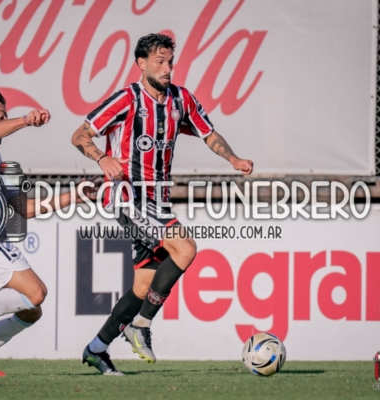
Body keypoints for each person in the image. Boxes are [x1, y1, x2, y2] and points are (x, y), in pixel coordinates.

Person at [71, 34, 254, 375]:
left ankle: (96, 348)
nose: (167, 68)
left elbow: (209, 133)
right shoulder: (126, 99)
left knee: (144, 286)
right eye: (160, 62)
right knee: (185, 248)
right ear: (141, 64)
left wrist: (232, 158)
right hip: (127, 198)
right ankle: (140, 325)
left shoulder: (181, 99)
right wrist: (102, 158)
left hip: (159, 202)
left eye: (170, 62)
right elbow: (80, 135)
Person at [0, 86, 93, 377]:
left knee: (31, 310)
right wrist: (25, 120)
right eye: (0, 114)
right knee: (36, 292)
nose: (4, 119)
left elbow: (23, 208)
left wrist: (74, 196)